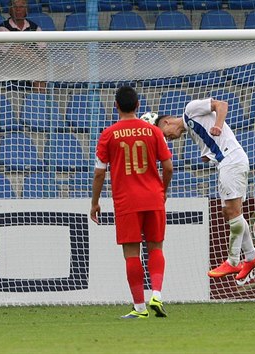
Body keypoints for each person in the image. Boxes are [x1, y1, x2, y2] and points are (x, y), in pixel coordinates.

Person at [143, 99, 255, 281]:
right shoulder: (191, 128)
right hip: (227, 162)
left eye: (164, 135)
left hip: (231, 160)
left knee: (233, 211)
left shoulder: (190, 109)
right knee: (229, 211)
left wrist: (218, 125)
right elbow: (209, 141)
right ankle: (252, 257)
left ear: (166, 122)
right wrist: (207, 155)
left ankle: (232, 261)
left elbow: (221, 105)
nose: (168, 139)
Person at [90, 86, 173, 319]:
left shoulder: (108, 134)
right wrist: (163, 190)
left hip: (126, 201)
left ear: (115, 106)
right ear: (138, 106)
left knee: (131, 253)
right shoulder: (154, 132)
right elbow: (168, 166)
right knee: (156, 247)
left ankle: (139, 308)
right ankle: (156, 293)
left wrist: (95, 202)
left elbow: (99, 173)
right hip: (153, 198)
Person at [0, 0, 47, 93]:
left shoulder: (35, 28)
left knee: (40, 74)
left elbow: (43, 51)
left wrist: (41, 65)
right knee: (40, 69)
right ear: (10, 10)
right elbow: (15, 49)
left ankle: (40, 105)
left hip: (32, 68)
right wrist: (40, 64)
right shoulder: (3, 28)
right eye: (15, 7)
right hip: (9, 68)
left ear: (26, 10)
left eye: (21, 7)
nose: (18, 10)